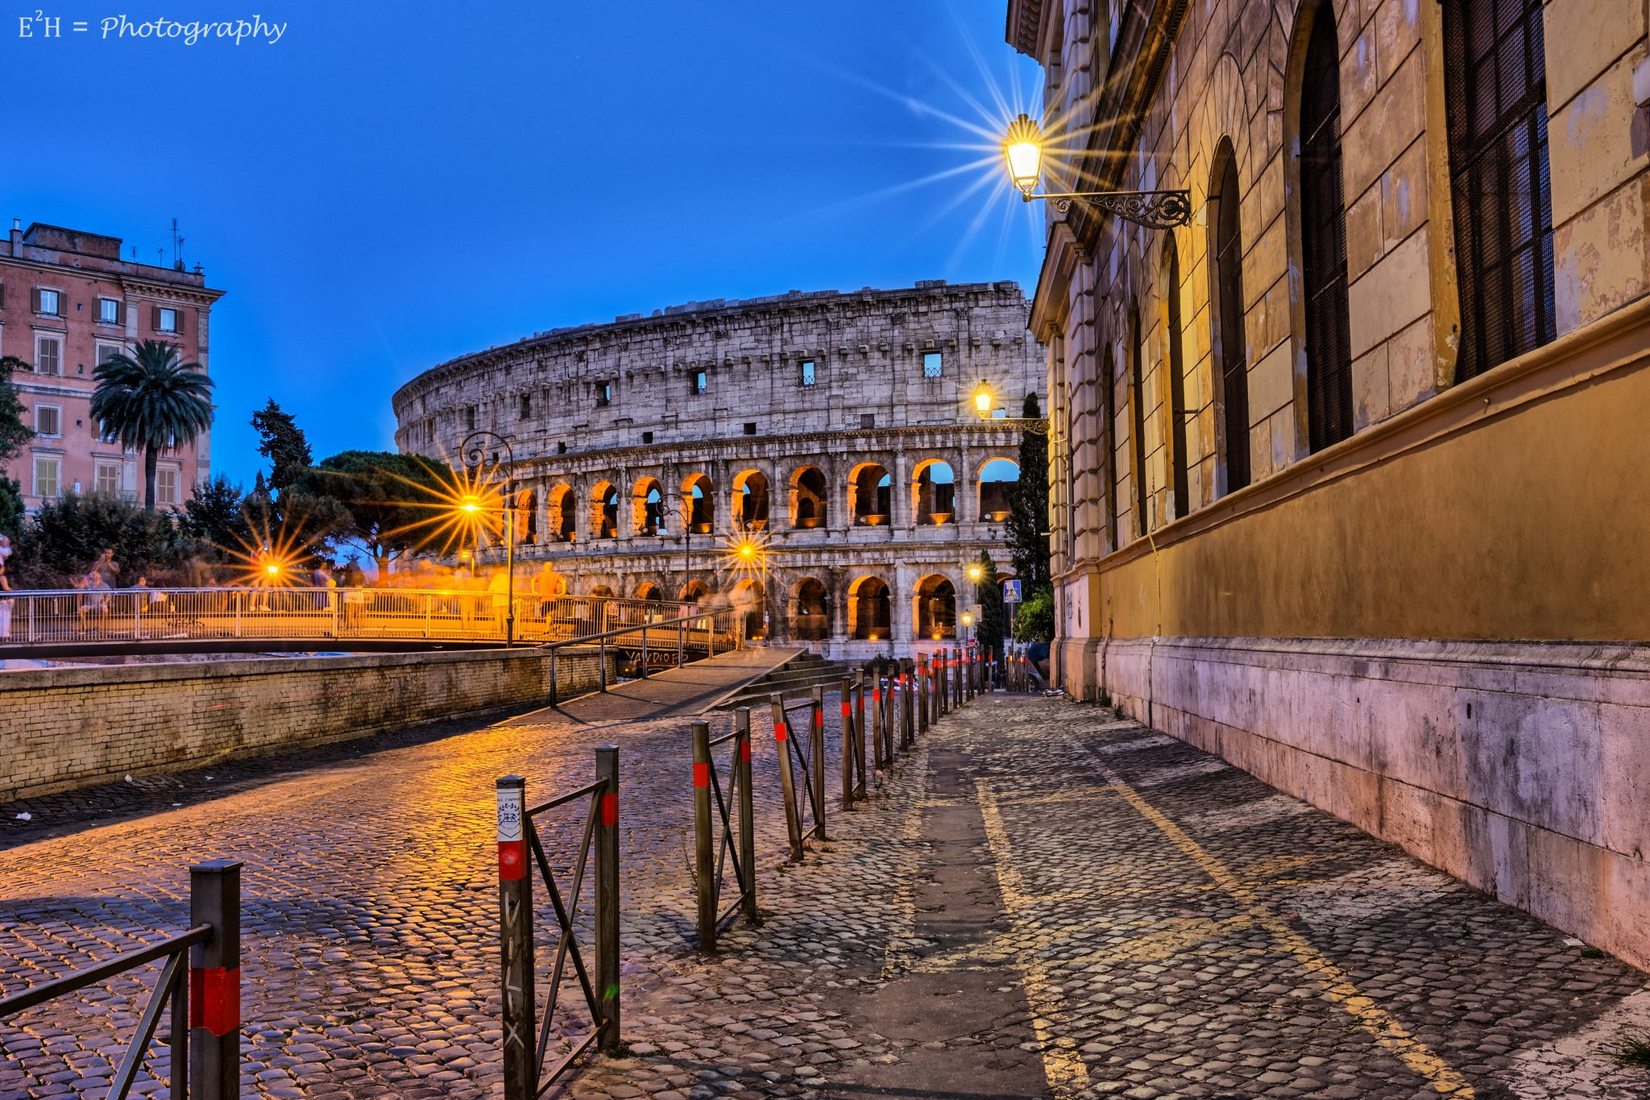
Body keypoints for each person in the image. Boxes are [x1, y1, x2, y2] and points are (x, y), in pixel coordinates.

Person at [0, 557, 13, 641]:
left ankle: (3, 635)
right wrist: (12, 589)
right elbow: (6, 588)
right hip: (4, 601)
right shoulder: (2, 577)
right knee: (5, 619)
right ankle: (4, 636)